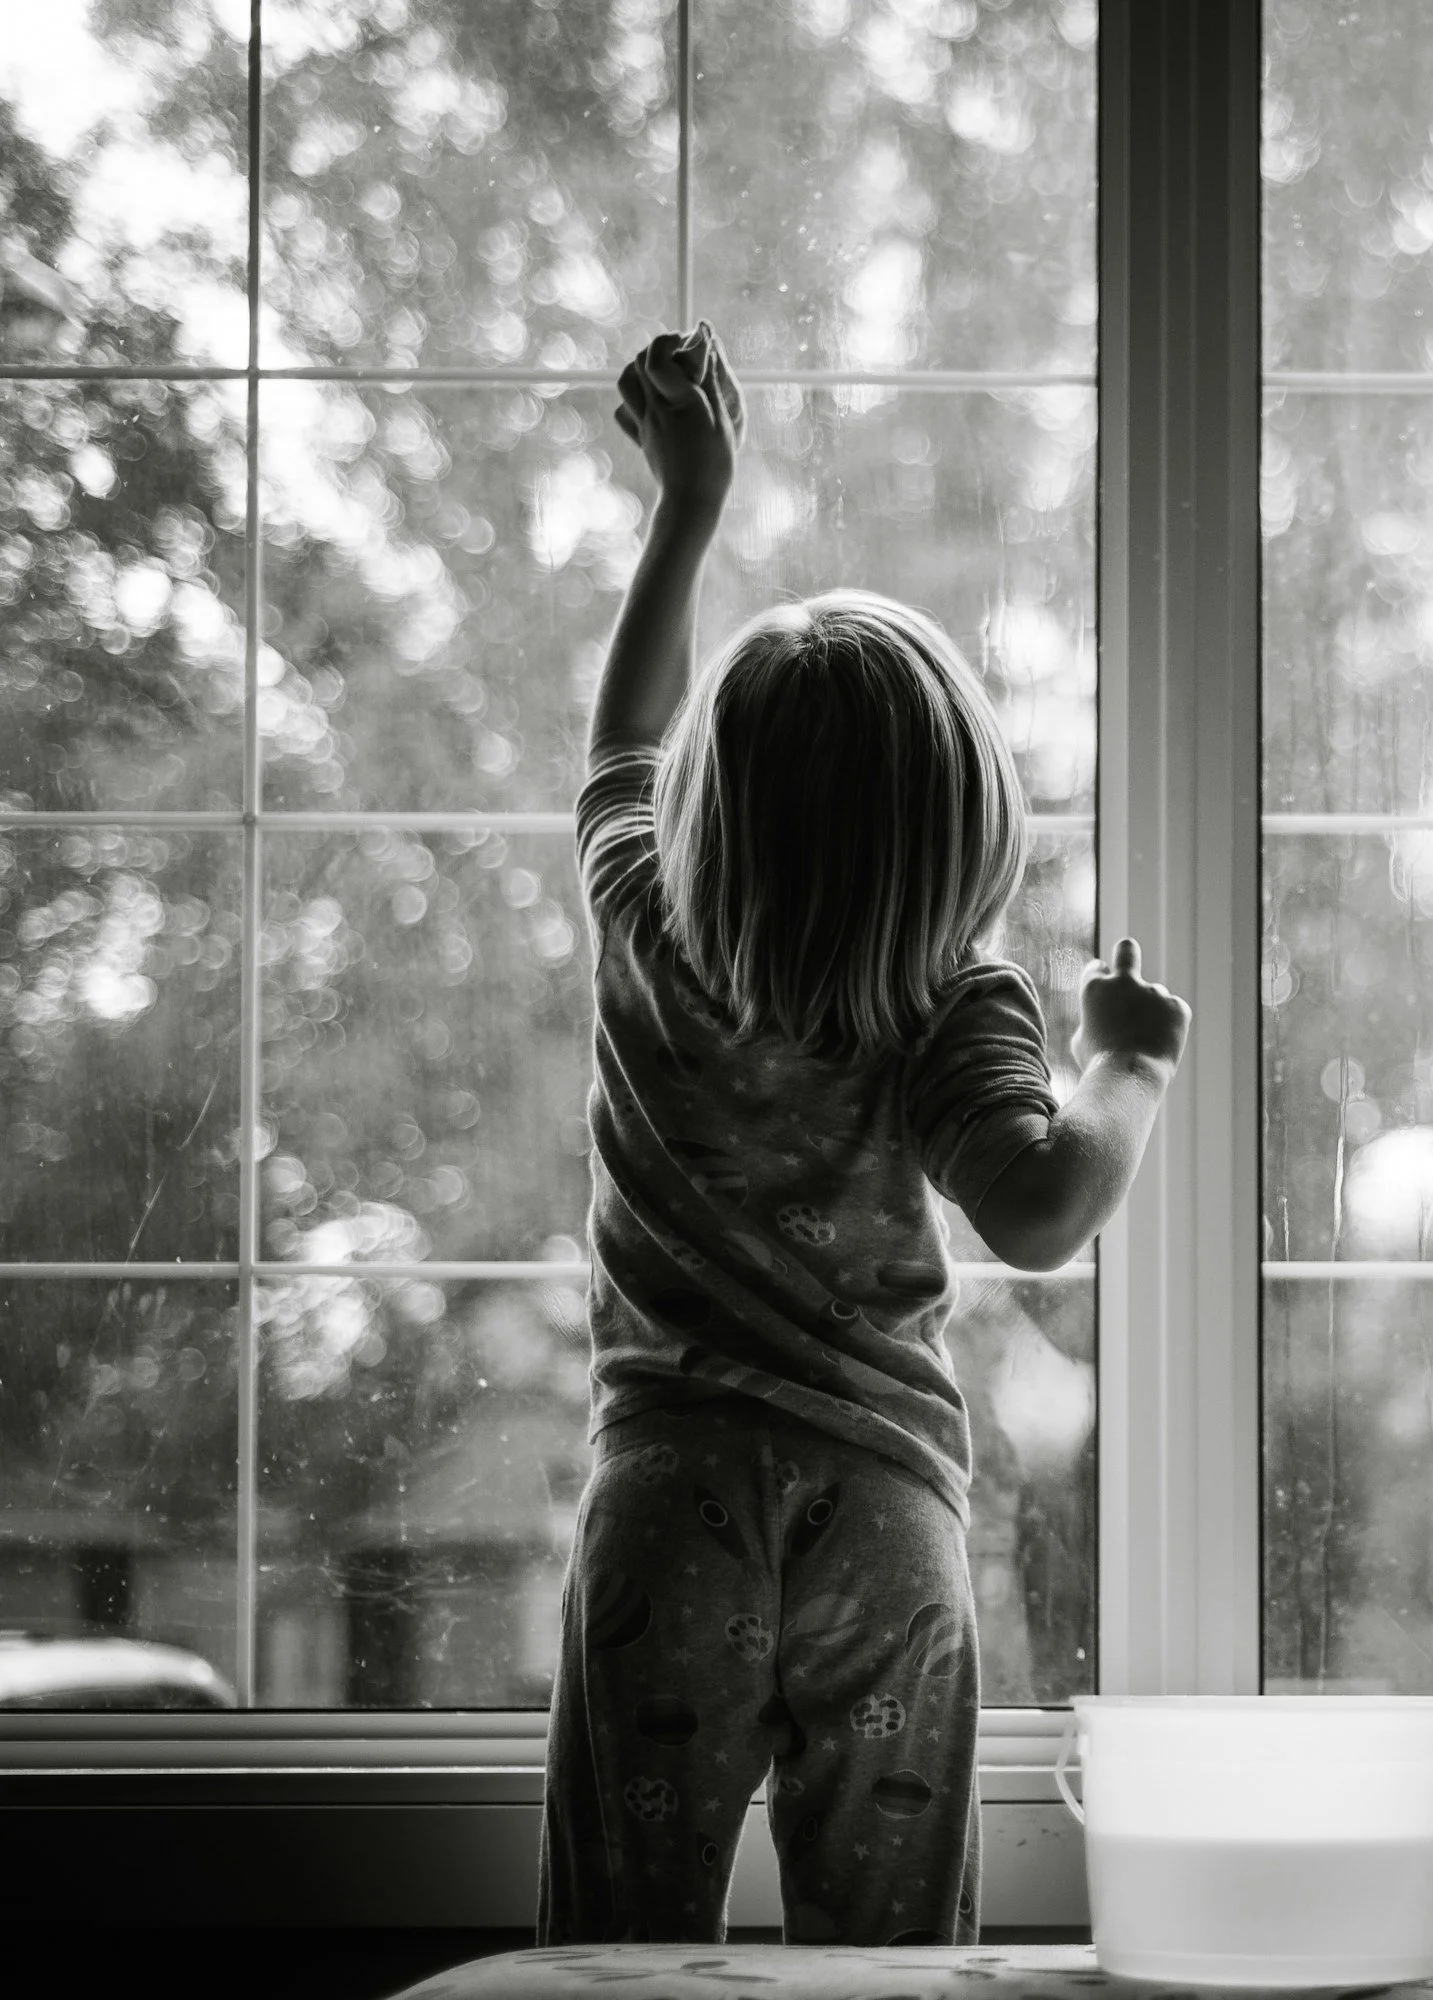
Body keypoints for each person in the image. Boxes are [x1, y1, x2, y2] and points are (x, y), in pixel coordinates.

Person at [539, 324, 1188, 1945]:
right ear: (962, 830)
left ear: (707, 807)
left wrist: (687, 507)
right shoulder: (950, 1000)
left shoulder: (643, 918)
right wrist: (1127, 1065)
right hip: (879, 1515)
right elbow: (1039, 1213)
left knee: (622, 1939)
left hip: (666, 1497)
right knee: (888, 1957)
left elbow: (622, 740)